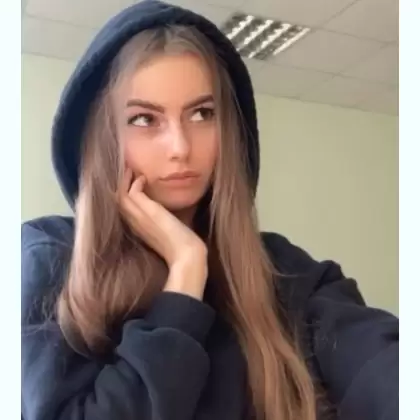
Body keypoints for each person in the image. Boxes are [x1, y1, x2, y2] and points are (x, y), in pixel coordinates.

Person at [21, 1, 398, 420]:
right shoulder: (49, 257)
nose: (180, 147)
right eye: (144, 119)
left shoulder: (284, 271)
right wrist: (185, 275)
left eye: (202, 114)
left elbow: (382, 365)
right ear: (103, 138)